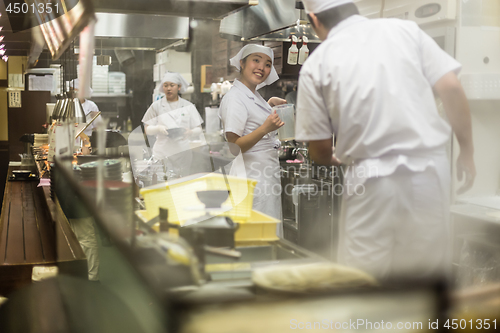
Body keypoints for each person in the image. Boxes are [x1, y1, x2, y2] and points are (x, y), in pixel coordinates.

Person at [295, 0, 476, 279]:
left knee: (363, 280)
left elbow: (318, 150)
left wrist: (333, 157)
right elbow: (451, 87)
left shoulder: (317, 63)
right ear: (354, 8)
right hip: (429, 172)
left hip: (370, 178)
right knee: (424, 282)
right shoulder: (406, 30)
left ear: (314, 19)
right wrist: (466, 151)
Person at [219, 44, 287, 235]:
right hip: (252, 178)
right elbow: (234, 147)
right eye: (256, 60)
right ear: (242, 63)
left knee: (267, 232)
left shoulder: (251, 95)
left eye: (267, 64)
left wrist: (268, 104)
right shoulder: (235, 98)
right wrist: (266, 127)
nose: (261, 68)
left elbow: (249, 119)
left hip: (263, 176)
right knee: (258, 235)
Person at [142, 72, 204, 177]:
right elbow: (146, 129)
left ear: (179, 87)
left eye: (172, 85)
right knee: (161, 182)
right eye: (165, 85)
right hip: (162, 152)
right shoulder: (156, 106)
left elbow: (198, 129)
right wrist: (158, 128)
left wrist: (191, 132)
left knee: (181, 184)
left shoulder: (188, 106)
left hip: (182, 153)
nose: (168, 89)